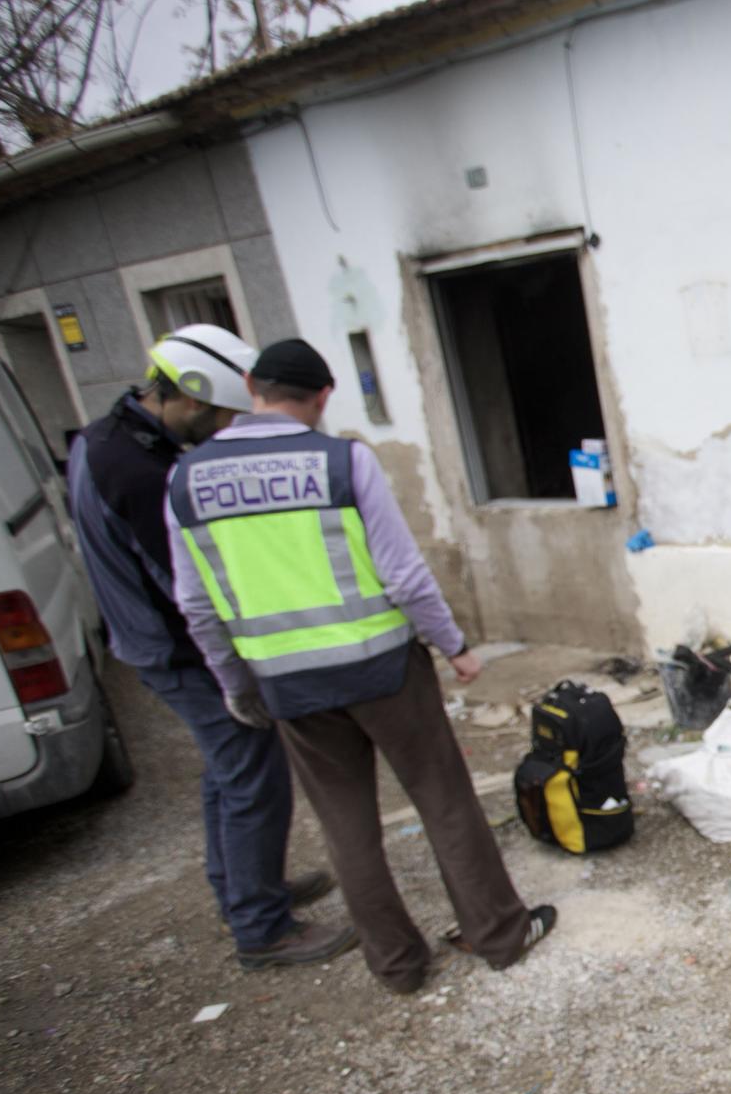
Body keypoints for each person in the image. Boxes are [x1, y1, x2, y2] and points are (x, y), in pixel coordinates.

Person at [164, 338, 555, 994]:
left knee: (346, 826)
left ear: (251, 386)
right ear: (322, 397)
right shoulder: (342, 460)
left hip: (288, 682)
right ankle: (499, 933)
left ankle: (398, 965)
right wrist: (453, 644)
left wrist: (239, 686)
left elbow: (197, 605)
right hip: (382, 670)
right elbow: (402, 573)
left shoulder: (187, 480)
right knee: (444, 799)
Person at [67, 325, 354, 970]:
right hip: (177, 650)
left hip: (150, 643)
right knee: (254, 772)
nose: (225, 430)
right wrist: (239, 662)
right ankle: (263, 928)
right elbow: (187, 588)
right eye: (224, 416)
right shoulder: (137, 471)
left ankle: (245, 891)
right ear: (190, 399)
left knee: (227, 772)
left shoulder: (101, 440)